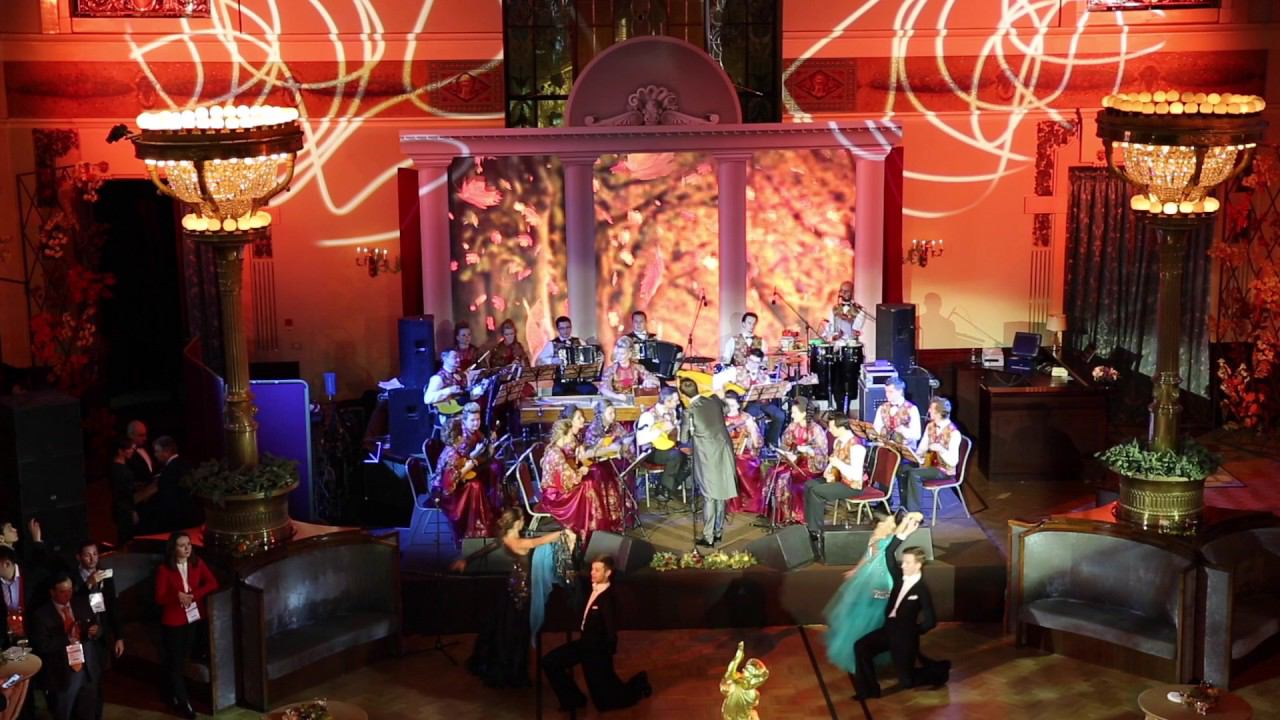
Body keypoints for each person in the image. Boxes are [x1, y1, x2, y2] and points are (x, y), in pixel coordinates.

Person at [466, 509, 574, 688]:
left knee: (505, 633)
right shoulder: (521, 543)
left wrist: (466, 560)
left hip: (510, 592)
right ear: (517, 523)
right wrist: (564, 532)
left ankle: (505, 669)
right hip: (522, 596)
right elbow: (541, 541)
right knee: (517, 635)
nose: (524, 521)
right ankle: (514, 674)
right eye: (523, 519)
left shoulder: (503, 539)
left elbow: (485, 549)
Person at [852, 513, 950, 700]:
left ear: (918, 565)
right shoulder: (899, 578)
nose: (903, 565)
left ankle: (940, 672)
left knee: (907, 681)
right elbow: (889, 553)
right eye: (903, 561)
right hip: (888, 630)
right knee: (861, 647)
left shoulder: (921, 590)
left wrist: (912, 631)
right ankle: (869, 691)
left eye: (907, 562)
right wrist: (904, 533)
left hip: (905, 637)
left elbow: (931, 621)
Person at [542, 555, 651, 712]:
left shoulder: (608, 598)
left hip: (597, 649)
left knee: (607, 702)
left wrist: (609, 649)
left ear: (608, 573)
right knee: (550, 662)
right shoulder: (591, 587)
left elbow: (610, 626)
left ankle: (640, 683)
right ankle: (574, 699)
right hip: (585, 644)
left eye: (597, 570)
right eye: (592, 569)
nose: (592, 573)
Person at [822, 511, 921, 675]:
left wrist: (907, 520)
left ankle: (875, 650)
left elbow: (901, 531)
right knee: (861, 611)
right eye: (880, 523)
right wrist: (855, 570)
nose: (880, 526)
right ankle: (859, 653)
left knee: (878, 613)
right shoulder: (874, 539)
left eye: (885, 524)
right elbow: (866, 557)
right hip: (867, 579)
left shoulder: (888, 541)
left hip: (882, 581)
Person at [154, 531, 218, 719]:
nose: (187, 548)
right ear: (173, 549)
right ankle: (184, 703)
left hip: (194, 618)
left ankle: (173, 694)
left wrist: (193, 595)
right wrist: (177, 597)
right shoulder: (164, 570)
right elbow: (159, 597)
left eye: (188, 544)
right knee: (175, 661)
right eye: (182, 545)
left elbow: (212, 583)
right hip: (173, 621)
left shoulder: (197, 564)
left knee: (184, 658)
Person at [29, 574, 104, 720]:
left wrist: (96, 631)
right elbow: (42, 645)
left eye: (70, 590)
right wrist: (67, 639)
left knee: (87, 711)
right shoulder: (41, 615)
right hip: (62, 673)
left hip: (87, 669)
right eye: (63, 591)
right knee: (63, 712)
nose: (68, 595)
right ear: (52, 592)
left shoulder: (81, 603)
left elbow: (97, 625)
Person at [540, 418, 624, 542]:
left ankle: (595, 525)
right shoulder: (556, 454)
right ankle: (589, 529)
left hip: (558, 488)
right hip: (554, 496)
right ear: (563, 435)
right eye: (570, 435)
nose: (571, 437)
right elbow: (572, 479)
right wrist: (581, 471)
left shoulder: (556, 448)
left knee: (591, 481)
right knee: (588, 486)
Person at [679, 378, 737, 547]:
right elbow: (727, 409)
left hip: (707, 456)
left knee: (710, 496)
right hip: (724, 450)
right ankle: (718, 532)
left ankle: (708, 537)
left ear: (684, 395)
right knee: (721, 492)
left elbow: (683, 439)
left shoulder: (689, 411)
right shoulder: (713, 399)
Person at [433, 403, 501, 539]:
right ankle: (473, 528)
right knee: (475, 486)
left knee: (491, 470)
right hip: (446, 494)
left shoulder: (472, 435)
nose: (476, 423)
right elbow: (448, 486)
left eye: (478, 419)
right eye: (472, 420)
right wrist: (469, 464)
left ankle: (488, 514)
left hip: (460, 479)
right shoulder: (452, 453)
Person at [803, 414, 869, 539]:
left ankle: (816, 530)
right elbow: (833, 461)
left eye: (832, 427)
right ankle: (808, 523)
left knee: (816, 492)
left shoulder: (856, 447)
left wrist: (838, 464)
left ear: (842, 428)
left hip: (852, 485)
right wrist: (828, 473)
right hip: (838, 478)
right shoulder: (838, 442)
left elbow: (855, 475)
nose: (829, 430)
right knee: (809, 485)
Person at [765, 398, 828, 525]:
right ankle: (779, 514)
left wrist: (808, 451)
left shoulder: (815, 429)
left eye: (794, 412)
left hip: (809, 465)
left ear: (804, 413)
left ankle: (794, 515)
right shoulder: (792, 426)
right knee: (773, 472)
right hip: (794, 461)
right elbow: (785, 444)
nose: (792, 415)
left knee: (785, 478)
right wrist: (786, 452)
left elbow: (822, 452)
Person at [901, 397, 963, 514]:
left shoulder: (954, 433)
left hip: (944, 470)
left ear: (938, 413)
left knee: (915, 474)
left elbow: (953, 461)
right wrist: (916, 455)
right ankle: (904, 506)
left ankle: (914, 513)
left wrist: (941, 450)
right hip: (928, 464)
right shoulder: (930, 426)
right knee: (903, 469)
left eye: (931, 409)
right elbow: (922, 447)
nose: (929, 410)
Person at [714, 349, 785, 447]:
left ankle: (771, 443)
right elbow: (717, 379)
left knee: (780, 415)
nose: (753, 364)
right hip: (743, 404)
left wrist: (781, 390)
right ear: (747, 359)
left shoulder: (763, 375)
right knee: (754, 413)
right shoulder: (736, 371)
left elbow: (769, 391)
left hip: (761, 403)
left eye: (756, 362)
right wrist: (723, 396)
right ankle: (755, 444)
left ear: (760, 363)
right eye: (751, 361)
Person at [70, 542, 124, 667]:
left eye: (95, 554)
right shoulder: (72, 578)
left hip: (102, 633)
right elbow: (71, 604)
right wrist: (88, 584)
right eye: (87, 555)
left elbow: (112, 606)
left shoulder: (105, 575)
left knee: (102, 668)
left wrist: (119, 637)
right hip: (80, 634)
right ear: (79, 557)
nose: (92, 558)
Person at [635, 387, 688, 502]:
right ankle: (665, 490)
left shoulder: (673, 412)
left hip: (670, 448)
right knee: (675, 456)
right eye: (676, 400)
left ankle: (664, 489)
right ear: (667, 401)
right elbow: (640, 439)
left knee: (690, 460)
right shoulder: (648, 415)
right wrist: (660, 430)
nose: (678, 403)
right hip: (651, 451)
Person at [723, 391, 766, 515]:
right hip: (726, 453)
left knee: (740, 464)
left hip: (745, 453)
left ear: (738, 405)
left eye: (732, 405)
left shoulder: (746, 417)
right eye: (727, 405)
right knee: (729, 464)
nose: (730, 408)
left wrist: (752, 441)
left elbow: (757, 439)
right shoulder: (721, 418)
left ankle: (749, 502)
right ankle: (732, 502)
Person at [146, 436, 199, 532]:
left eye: (157, 451)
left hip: (176, 520)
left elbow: (169, 499)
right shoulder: (184, 463)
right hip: (189, 516)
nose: (155, 455)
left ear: (167, 451)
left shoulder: (170, 470)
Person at [535, 316, 598, 396]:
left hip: (579, 380)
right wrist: (553, 361)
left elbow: (588, 358)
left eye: (568, 327)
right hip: (561, 380)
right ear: (558, 329)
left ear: (571, 327)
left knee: (592, 390)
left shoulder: (580, 341)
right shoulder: (551, 344)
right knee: (557, 393)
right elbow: (541, 359)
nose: (565, 331)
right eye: (562, 328)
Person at [599, 336, 659, 402]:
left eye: (622, 354)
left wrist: (649, 381)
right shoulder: (611, 370)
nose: (619, 357)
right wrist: (616, 396)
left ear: (630, 354)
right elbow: (603, 388)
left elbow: (655, 380)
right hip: (616, 402)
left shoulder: (638, 367)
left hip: (635, 401)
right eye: (618, 353)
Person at [108, 437, 142, 544]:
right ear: (120, 451)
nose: (132, 450)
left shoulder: (117, 467)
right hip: (124, 510)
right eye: (129, 448)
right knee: (127, 538)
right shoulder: (119, 470)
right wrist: (132, 511)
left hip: (121, 508)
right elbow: (123, 494)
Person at [872, 378, 921, 447]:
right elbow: (876, 429)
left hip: (905, 448)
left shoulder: (912, 409)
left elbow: (917, 435)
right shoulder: (882, 408)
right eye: (886, 391)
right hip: (885, 447)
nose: (887, 394)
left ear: (900, 391)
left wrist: (903, 431)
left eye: (890, 392)